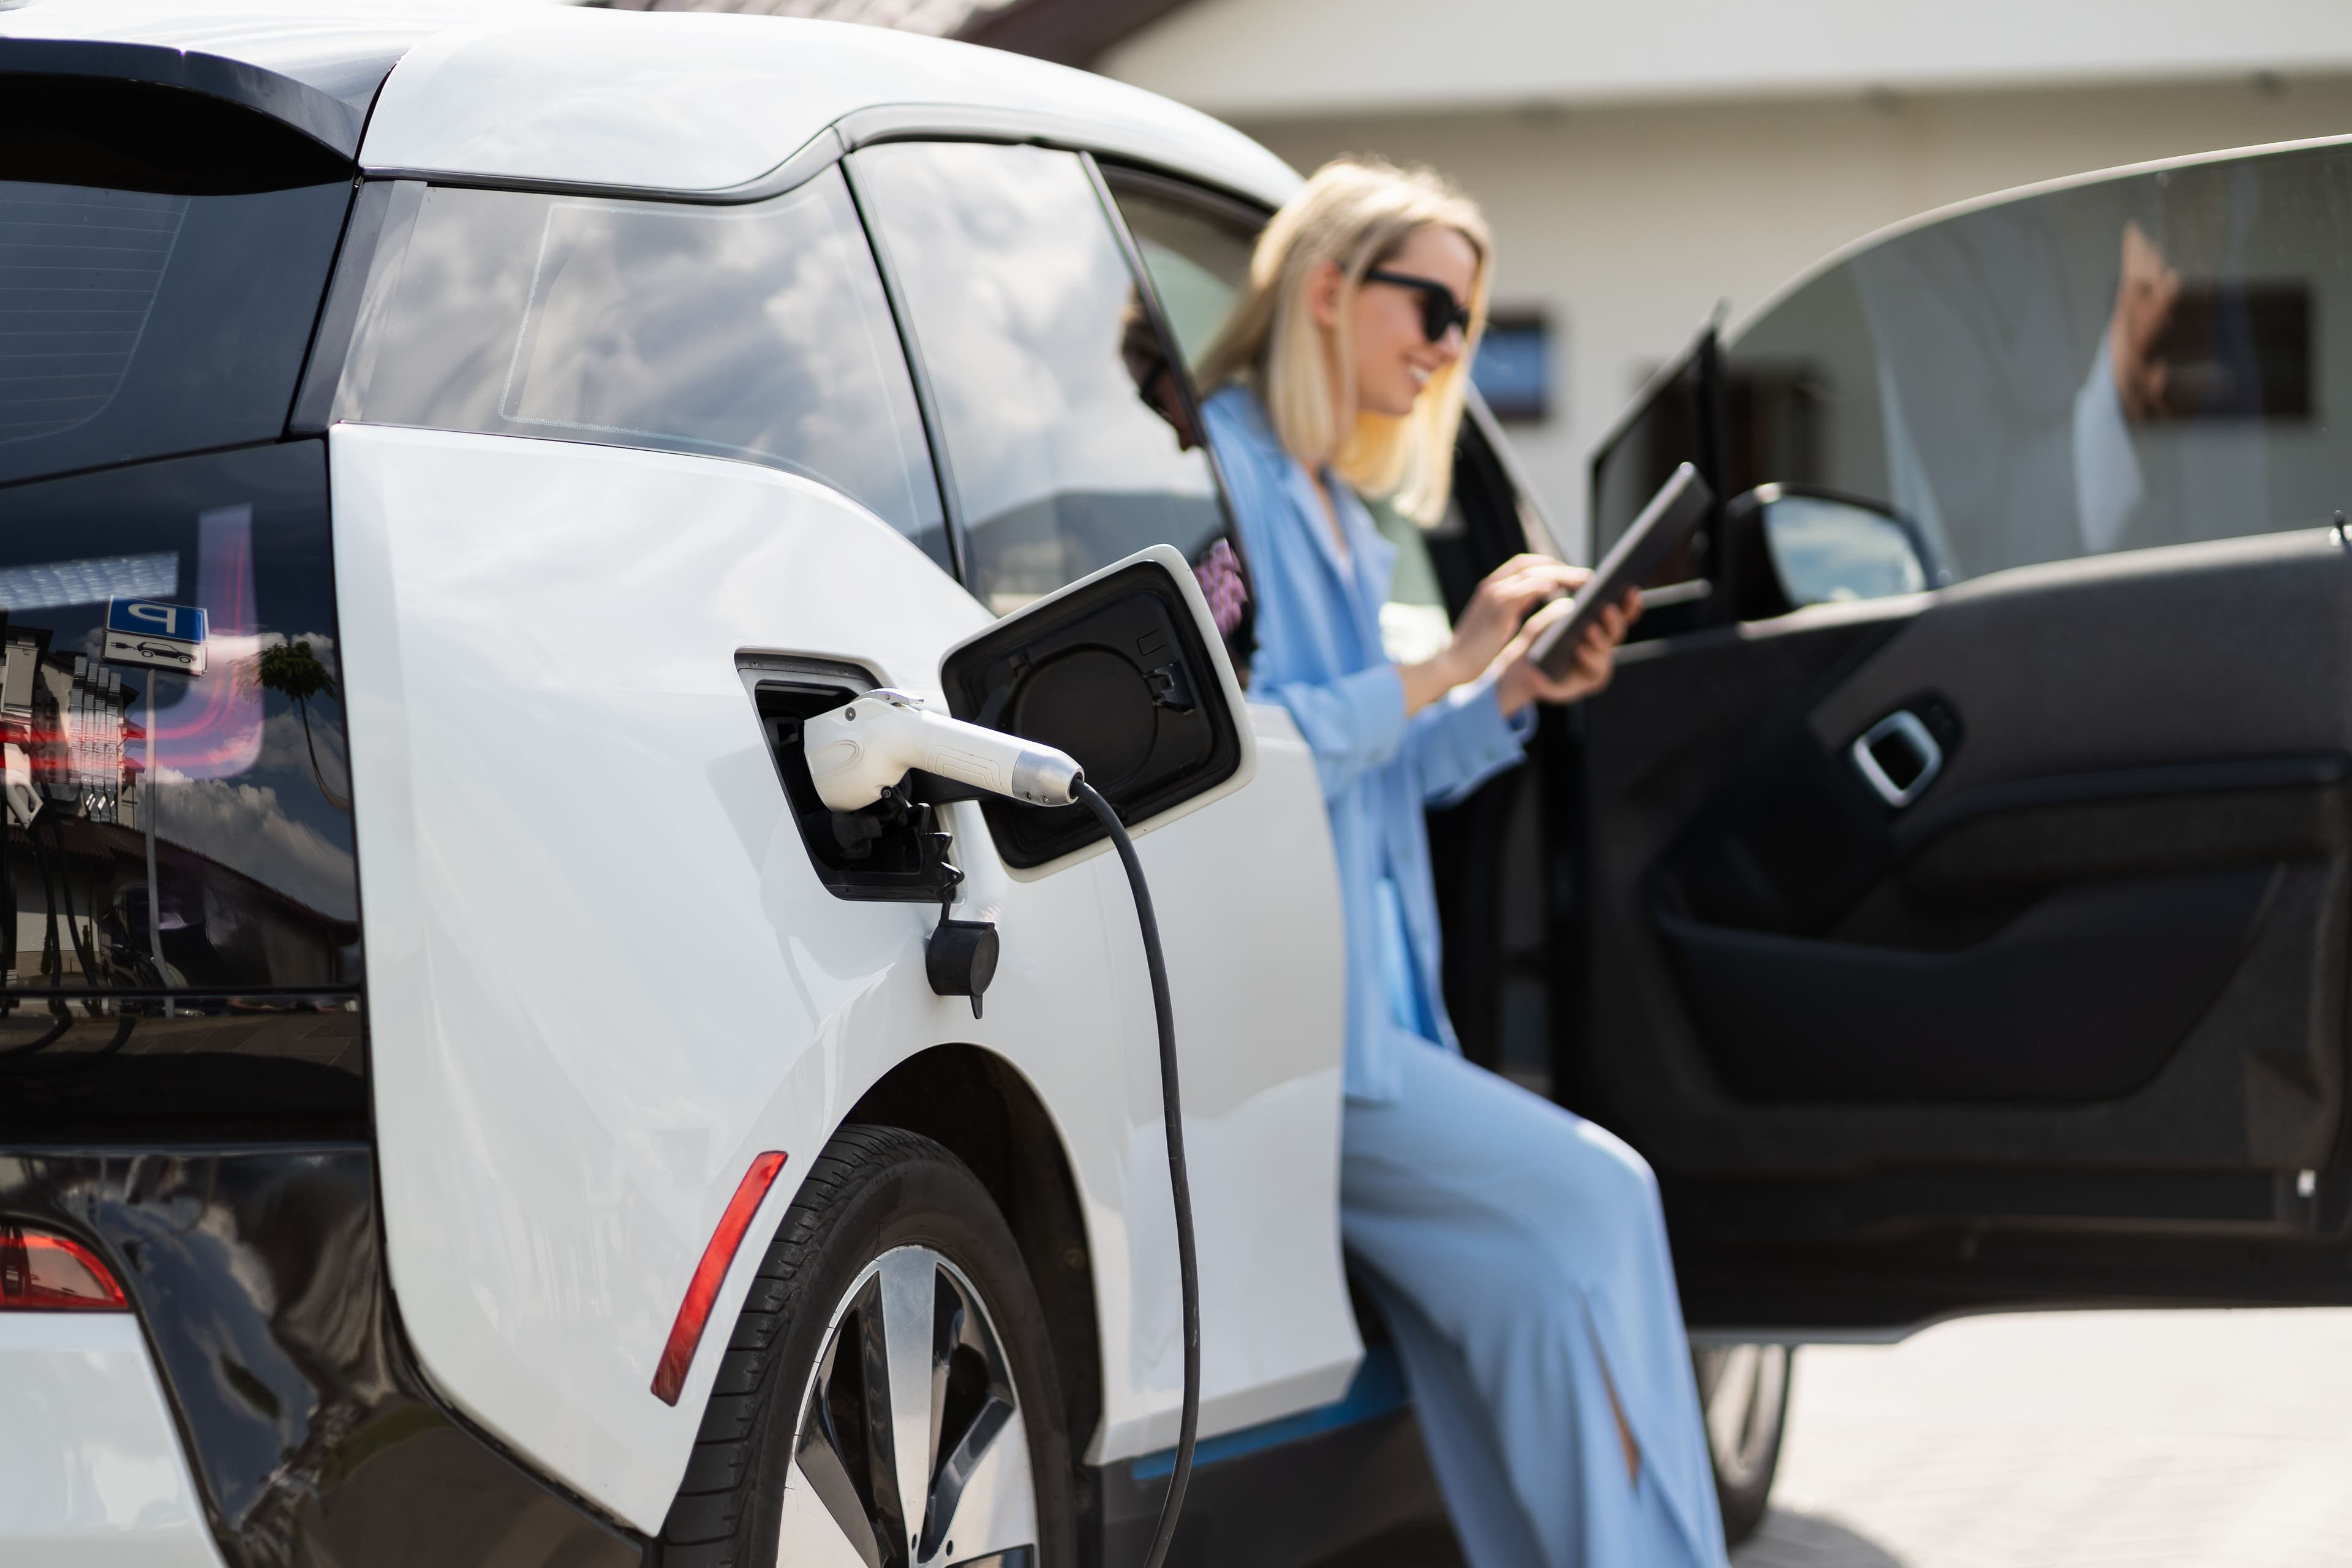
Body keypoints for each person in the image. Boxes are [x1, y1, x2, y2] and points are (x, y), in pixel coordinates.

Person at [1193, 157, 1731, 1568]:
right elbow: (1235, 755)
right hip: (1303, 1041)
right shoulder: (1222, 476)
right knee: (1604, 1197)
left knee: (1544, 1293)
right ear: (1326, 287)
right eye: (1431, 304)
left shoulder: (1335, 508)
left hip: (1377, 1026)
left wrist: (1505, 695)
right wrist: (1442, 665)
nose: (1447, 346)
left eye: (1469, 320)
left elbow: (1372, 774)